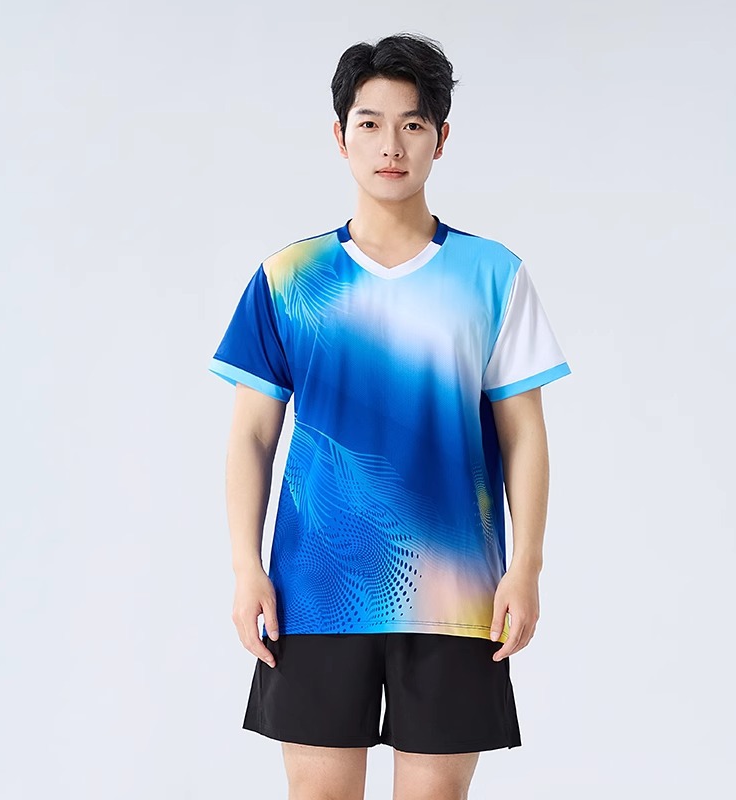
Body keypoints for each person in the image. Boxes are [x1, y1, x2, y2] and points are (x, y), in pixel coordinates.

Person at [208, 31, 571, 800]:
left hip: (457, 595)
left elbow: (524, 434)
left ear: (442, 137)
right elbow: (250, 435)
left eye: (412, 124)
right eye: (370, 124)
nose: (391, 146)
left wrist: (527, 567)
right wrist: (246, 568)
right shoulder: (289, 277)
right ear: (340, 137)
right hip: (315, 591)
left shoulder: (493, 274)